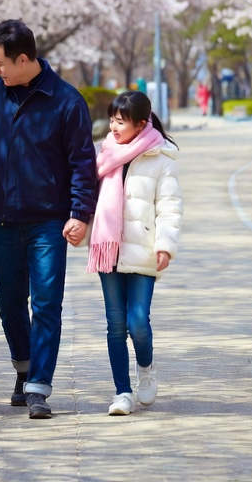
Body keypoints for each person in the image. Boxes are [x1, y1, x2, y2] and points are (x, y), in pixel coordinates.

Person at [0, 19, 98, 420]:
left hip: (49, 223)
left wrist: (80, 213)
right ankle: (23, 371)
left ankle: (39, 386)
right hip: (4, 220)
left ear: (23, 59)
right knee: (9, 304)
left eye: (0, 62)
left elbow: (82, 162)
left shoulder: (66, 101)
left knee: (45, 303)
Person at [87, 90, 183, 416]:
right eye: (112, 119)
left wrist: (165, 246)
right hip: (109, 250)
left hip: (142, 248)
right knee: (115, 323)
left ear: (141, 124)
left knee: (137, 321)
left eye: (121, 121)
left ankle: (146, 366)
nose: (113, 126)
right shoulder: (103, 154)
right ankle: (122, 392)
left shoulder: (160, 158)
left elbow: (170, 207)